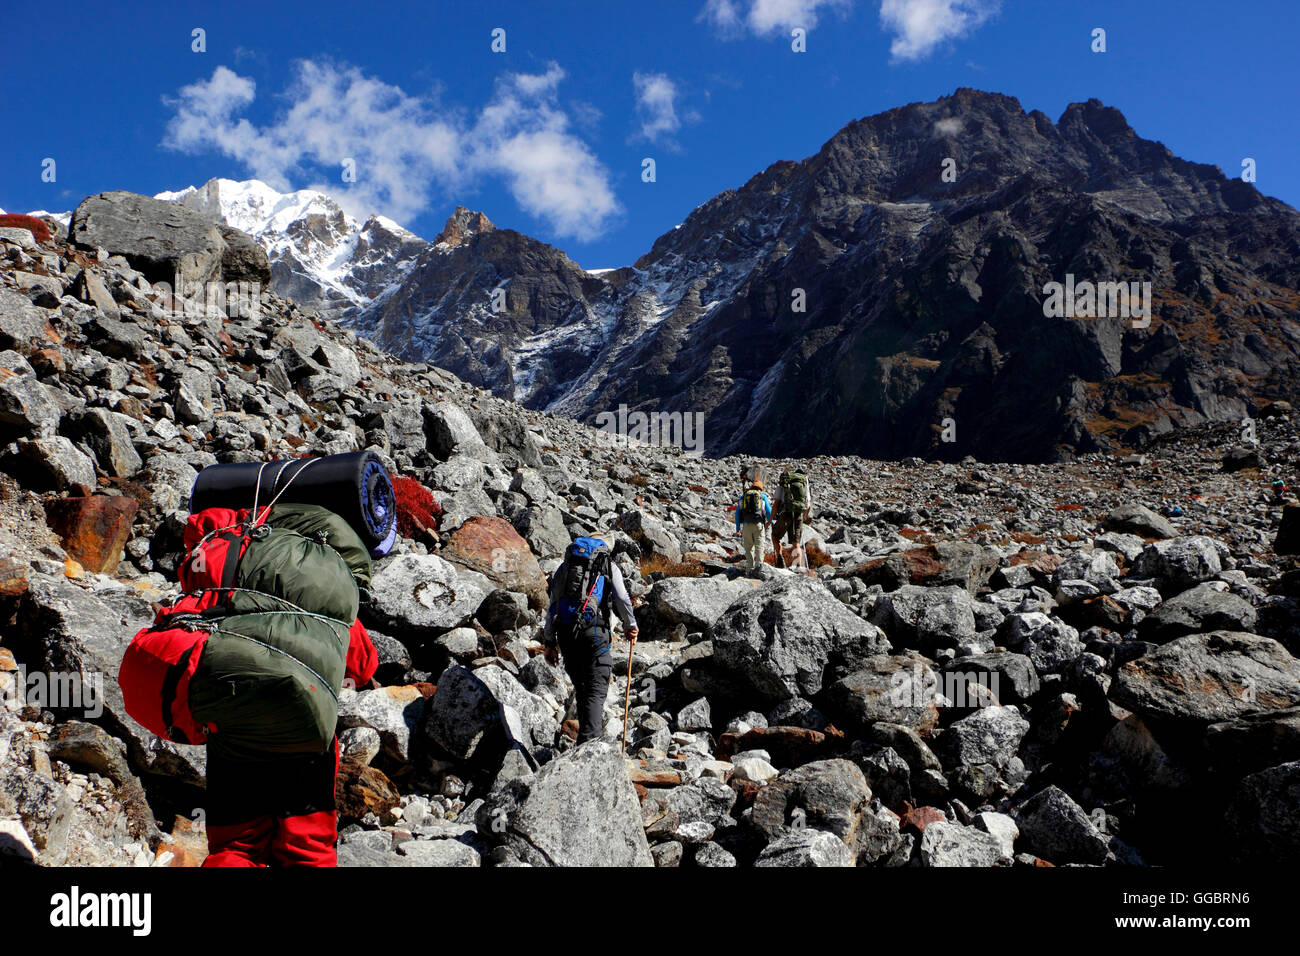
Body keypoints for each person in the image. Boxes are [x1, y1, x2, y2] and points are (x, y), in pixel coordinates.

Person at [542, 537, 638, 743]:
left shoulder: (565, 568)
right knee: (595, 688)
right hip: (594, 631)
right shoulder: (607, 565)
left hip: (566, 635)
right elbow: (622, 598)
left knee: (583, 689)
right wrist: (631, 626)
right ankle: (590, 747)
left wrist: (549, 643)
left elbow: (552, 605)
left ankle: (584, 742)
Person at [771, 469, 812, 569]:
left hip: (785, 514)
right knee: (796, 543)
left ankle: (780, 559)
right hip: (799, 514)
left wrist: (769, 521)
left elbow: (776, 505)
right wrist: (804, 517)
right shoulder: (804, 484)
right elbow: (808, 505)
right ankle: (799, 566)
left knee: (775, 536)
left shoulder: (785, 482)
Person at [734, 476, 772, 574]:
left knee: (748, 548)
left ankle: (749, 570)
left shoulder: (744, 496)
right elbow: (768, 511)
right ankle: (759, 570)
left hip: (746, 526)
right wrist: (770, 522)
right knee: (759, 547)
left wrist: (738, 527)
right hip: (758, 525)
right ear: (761, 488)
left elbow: (737, 513)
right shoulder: (762, 496)